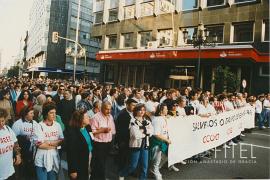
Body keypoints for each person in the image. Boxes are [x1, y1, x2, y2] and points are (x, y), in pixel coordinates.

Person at [119, 104, 153, 180]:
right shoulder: (133, 121)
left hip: (145, 145)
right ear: (136, 111)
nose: (142, 112)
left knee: (145, 166)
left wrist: (143, 131)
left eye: (144, 110)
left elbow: (152, 132)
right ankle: (122, 174)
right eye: (140, 110)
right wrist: (146, 132)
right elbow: (136, 135)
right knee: (133, 165)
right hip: (135, 145)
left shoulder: (146, 121)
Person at [34, 102, 64, 180]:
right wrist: (55, 144)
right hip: (42, 159)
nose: (54, 115)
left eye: (55, 113)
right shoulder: (39, 126)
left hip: (54, 158)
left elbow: (61, 140)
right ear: (46, 114)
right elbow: (40, 145)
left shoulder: (57, 125)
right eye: (51, 113)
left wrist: (48, 142)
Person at [90, 101, 116, 180]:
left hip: (108, 143)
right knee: (100, 165)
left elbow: (113, 130)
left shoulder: (110, 116)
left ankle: (95, 178)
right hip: (99, 144)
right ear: (101, 108)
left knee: (103, 164)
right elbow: (91, 133)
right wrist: (102, 130)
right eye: (106, 109)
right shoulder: (95, 117)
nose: (109, 111)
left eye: (110, 109)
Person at [12, 106, 39, 179]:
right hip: (23, 151)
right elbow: (14, 139)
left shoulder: (35, 123)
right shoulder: (17, 124)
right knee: (23, 171)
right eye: (31, 113)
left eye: (33, 113)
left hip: (33, 150)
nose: (33, 115)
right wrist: (25, 137)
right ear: (25, 114)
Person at [66, 110, 93, 180]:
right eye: (87, 117)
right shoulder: (73, 133)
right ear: (81, 119)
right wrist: (73, 170)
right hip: (79, 163)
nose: (89, 118)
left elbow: (91, 140)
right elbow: (71, 153)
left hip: (88, 157)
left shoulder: (88, 127)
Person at [150, 103, 171, 180]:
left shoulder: (163, 118)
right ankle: (155, 171)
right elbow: (156, 134)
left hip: (163, 141)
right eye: (166, 109)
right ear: (161, 110)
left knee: (166, 156)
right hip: (157, 142)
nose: (167, 110)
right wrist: (166, 139)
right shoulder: (157, 120)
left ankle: (155, 169)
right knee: (157, 159)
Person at [115, 98, 137, 170]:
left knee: (129, 156)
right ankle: (121, 172)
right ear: (127, 105)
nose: (134, 107)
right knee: (122, 156)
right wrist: (120, 141)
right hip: (123, 140)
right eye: (133, 105)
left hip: (130, 139)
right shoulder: (122, 114)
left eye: (135, 105)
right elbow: (119, 129)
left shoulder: (134, 113)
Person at [0, 108, 21, 180]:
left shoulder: (8, 129)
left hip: (9, 169)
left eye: (2, 121)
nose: (1, 124)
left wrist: (18, 155)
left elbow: (15, 143)